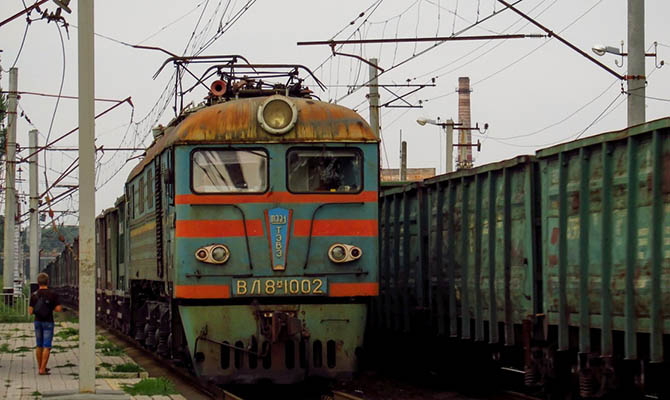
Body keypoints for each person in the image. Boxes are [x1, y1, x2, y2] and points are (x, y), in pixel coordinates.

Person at [28, 272, 62, 375]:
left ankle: (40, 367)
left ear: (38, 282)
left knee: (39, 345)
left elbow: (30, 311)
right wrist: (49, 307)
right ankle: (42, 369)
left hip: (38, 321)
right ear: (48, 281)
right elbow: (58, 309)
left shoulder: (34, 295)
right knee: (47, 346)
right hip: (48, 322)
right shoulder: (53, 294)